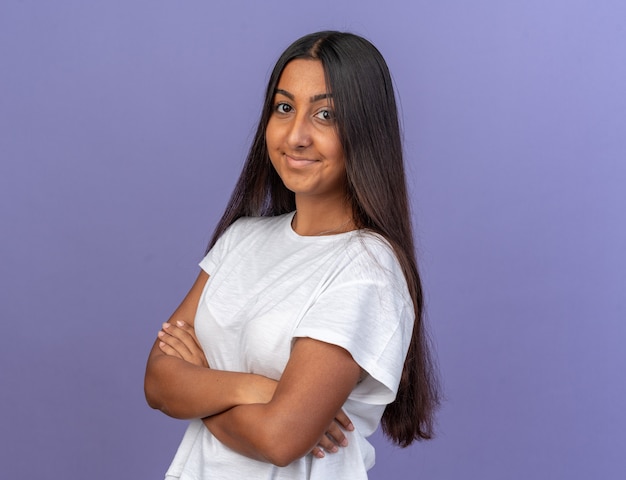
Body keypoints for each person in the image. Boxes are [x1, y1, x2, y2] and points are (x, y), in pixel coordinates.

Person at [144, 30, 439, 479]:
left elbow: (280, 439)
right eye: (284, 108)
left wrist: (199, 385)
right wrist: (261, 389)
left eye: (325, 115)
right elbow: (157, 381)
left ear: (365, 131)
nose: (296, 135)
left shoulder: (367, 269)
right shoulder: (241, 239)